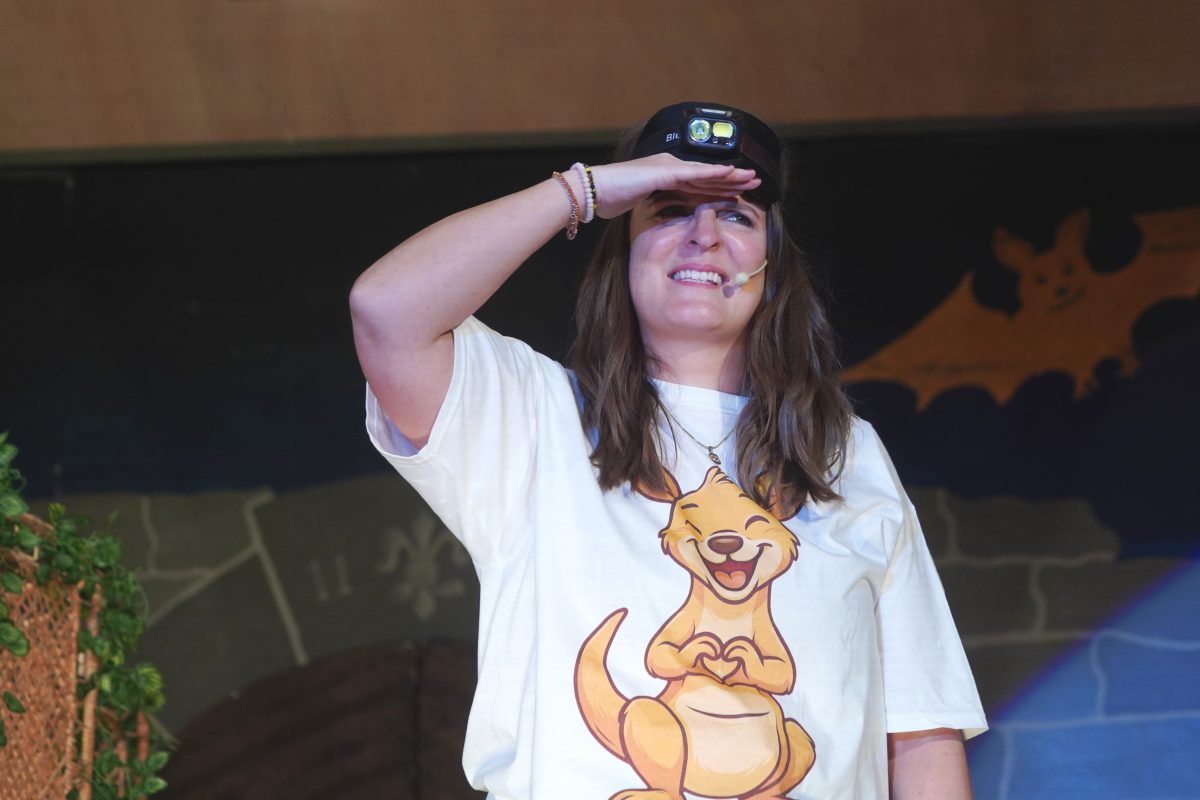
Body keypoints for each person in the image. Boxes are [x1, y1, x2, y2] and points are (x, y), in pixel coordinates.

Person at [351, 101, 986, 800]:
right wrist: (586, 191)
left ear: (772, 266)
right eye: (670, 210)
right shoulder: (538, 418)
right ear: (624, 249)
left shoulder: (843, 453)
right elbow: (387, 312)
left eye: (736, 216)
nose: (703, 237)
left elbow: (922, 732)